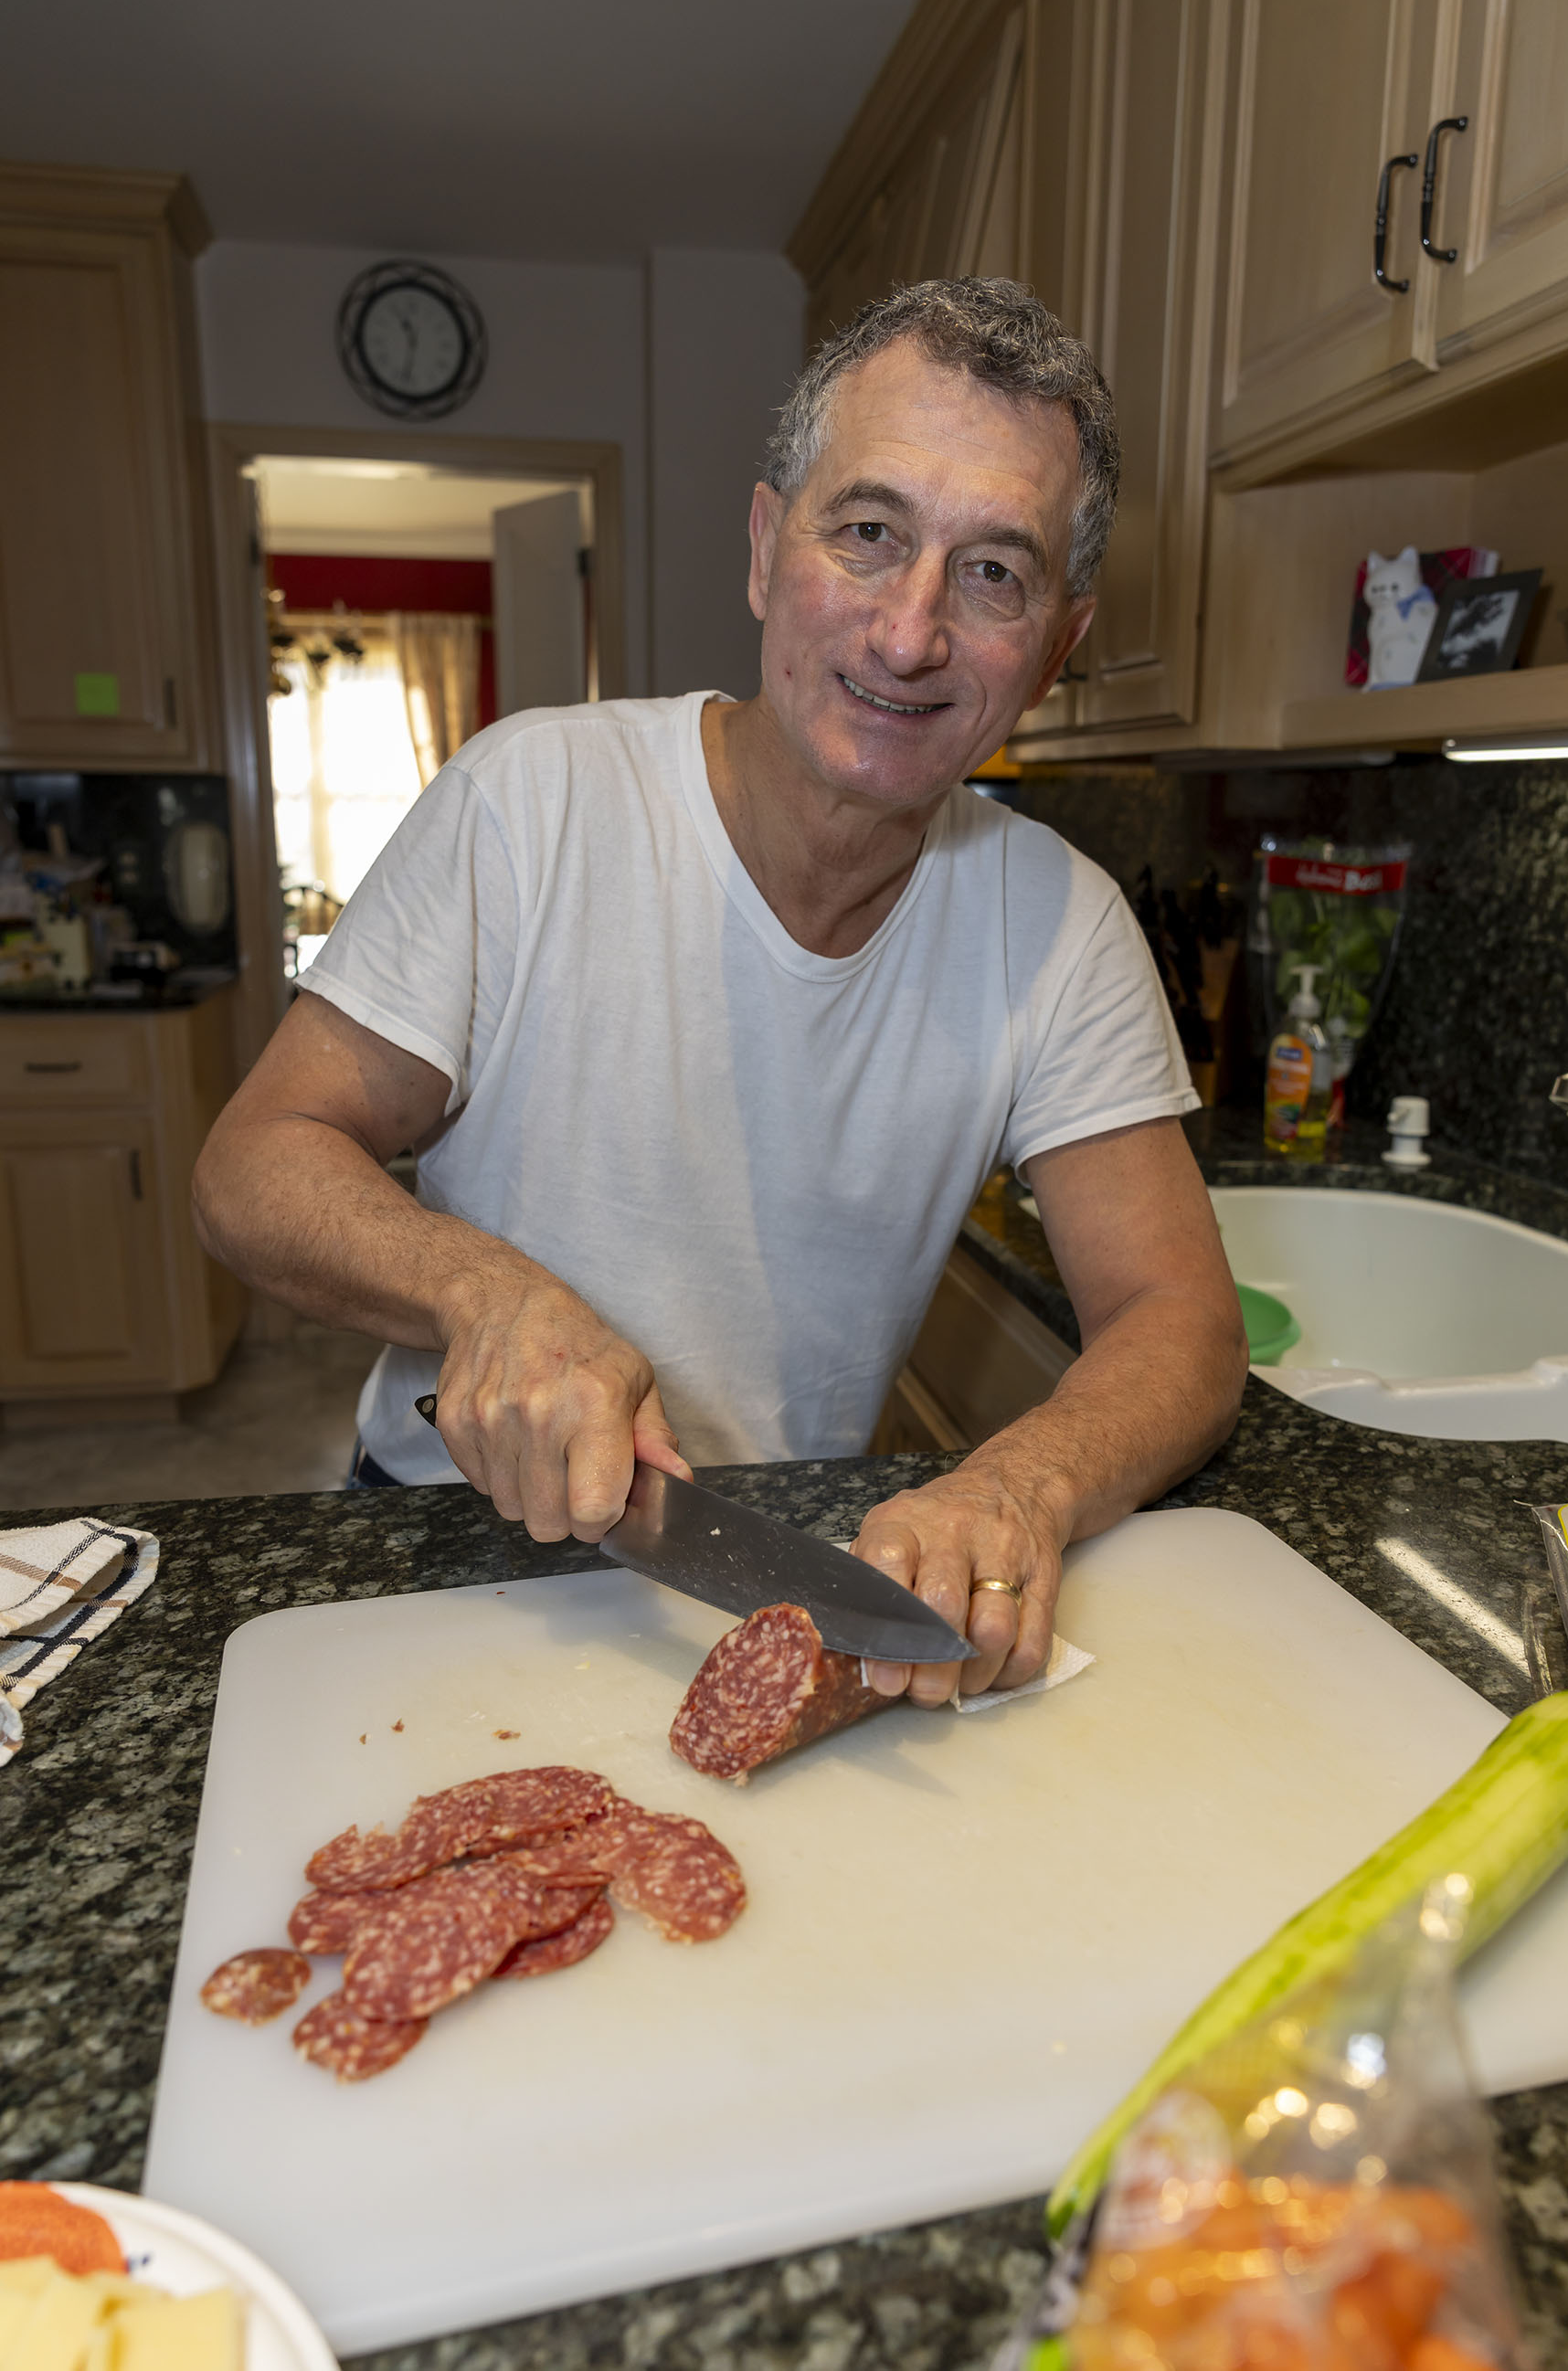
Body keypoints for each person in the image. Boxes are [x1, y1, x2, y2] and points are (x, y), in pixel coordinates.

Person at [194, 277, 1246, 1709]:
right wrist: (487, 1292)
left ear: (1059, 646)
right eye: (868, 533)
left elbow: (1180, 1316)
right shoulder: (530, 802)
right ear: (765, 549)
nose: (909, 633)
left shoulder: (1060, 923)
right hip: (444, 1535)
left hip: (778, 1575)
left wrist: (1022, 1481)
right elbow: (253, 1163)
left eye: (994, 572)